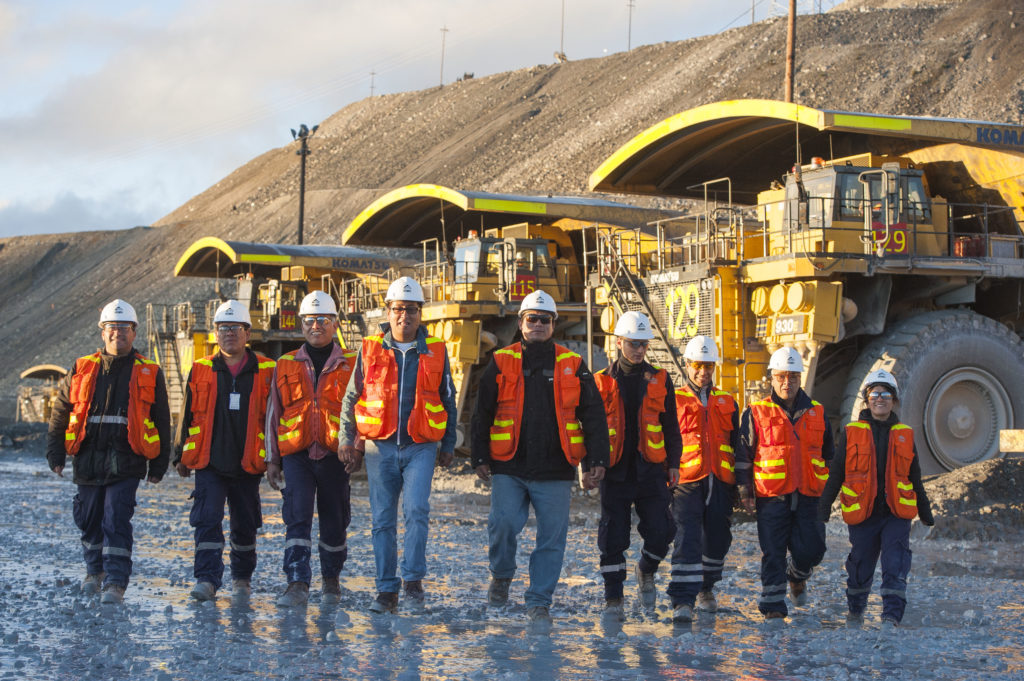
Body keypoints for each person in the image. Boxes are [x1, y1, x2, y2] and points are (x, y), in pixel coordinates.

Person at [471, 289, 609, 625]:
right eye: (531, 318)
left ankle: (539, 602)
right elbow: (482, 412)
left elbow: (593, 415)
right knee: (502, 524)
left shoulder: (573, 364)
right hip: (510, 465)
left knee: (552, 538)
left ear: (553, 325)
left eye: (544, 320)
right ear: (520, 323)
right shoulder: (501, 361)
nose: (537, 324)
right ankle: (502, 576)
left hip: (556, 468)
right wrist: (479, 458)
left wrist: (596, 460)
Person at [339, 276, 457, 614]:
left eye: (412, 309)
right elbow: (352, 398)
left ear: (421, 314)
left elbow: (448, 398)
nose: (405, 315)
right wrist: (348, 441)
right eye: (398, 308)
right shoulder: (370, 349)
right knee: (383, 520)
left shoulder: (436, 350)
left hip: (421, 445)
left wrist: (448, 443)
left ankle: (413, 581)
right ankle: (386, 590)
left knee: (417, 510)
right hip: (381, 447)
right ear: (388, 312)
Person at [46, 299, 171, 604]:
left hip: (127, 459)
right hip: (88, 458)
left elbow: (162, 419)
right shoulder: (81, 367)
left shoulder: (149, 371)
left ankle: (116, 580)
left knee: (116, 518)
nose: (118, 333)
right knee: (89, 518)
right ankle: (94, 571)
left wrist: (159, 465)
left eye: (124, 328)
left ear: (134, 332)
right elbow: (61, 410)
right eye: (112, 328)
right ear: (102, 332)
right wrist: (55, 453)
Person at [173, 300, 276, 603]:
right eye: (223, 328)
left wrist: (277, 459)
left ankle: (242, 579)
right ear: (215, 334)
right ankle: (206, 580)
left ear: (248, 333)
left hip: (248, 463)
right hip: (210, 462)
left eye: (235, 328)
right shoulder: (201, 369)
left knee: (245, 524)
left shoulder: (267, 368)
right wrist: (179, 453)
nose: (229, 333)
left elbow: (276, 415)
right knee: (207, 519)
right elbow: (187, 412)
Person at [818, 369, 934, 628]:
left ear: (893, 400)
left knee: (896, 564)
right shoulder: (851, 432)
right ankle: (855, 612)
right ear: (867, 399)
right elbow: (837, 472)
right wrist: (823, 508)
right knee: (860, 567)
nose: (880, 399)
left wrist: (925, 512)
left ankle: (891, 619)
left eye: (885, 394)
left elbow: (915, 476)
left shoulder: (905, 434)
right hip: (863, 513)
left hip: (896, 514)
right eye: (874, 394)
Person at [265, 290, 360, 607]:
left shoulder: (352, 362)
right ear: (300, 324)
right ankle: (297, 582)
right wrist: (272, 459)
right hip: (297, 455)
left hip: (336, 455)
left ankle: (331, 580)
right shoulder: (285, 363)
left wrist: (357, 447)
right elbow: (273, 414)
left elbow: (365, 409)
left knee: (335, 519)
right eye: (309, 320)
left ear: (335, 323)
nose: (315, 325)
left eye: (322, 320)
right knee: (297, 516)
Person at [591, 311, 681, 619]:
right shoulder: (600, 381)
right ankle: (613, 599)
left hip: (650, 469)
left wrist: (674, 463)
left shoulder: (660, 379)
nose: (639, 350)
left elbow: (671, 425)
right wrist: (591, 463)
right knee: (613, 535)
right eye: (633, 344)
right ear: (619, 343)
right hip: (614, 470)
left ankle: (646, 569)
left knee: (663, 529)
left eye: (643, 344)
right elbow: (590, 426)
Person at [736, 346, 834, 620]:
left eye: (792, 377)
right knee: (773, 551)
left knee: (813, 550)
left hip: (809, 495)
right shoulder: (756, 413)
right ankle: (773, 610)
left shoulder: (818, 412)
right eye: (780, 377)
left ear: (800, 378)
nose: (786, 383)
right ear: (771, 378)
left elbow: (829, 455)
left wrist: (827, 492)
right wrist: (745, 491)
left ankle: (797, 575)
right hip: (772, 495)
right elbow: (743, 456)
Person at [666, 335, 740, 622]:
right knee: (688, 537)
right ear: (687, 365)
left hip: (720, 479)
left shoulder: (728, 401)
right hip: (686, 480)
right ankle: (683, 599)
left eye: (708, 365)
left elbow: (735, 441)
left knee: (719, 537)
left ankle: (706, 588)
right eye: (698, 365)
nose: (703, 371)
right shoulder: (674, 399)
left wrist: (740, 484)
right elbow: (667, 440)